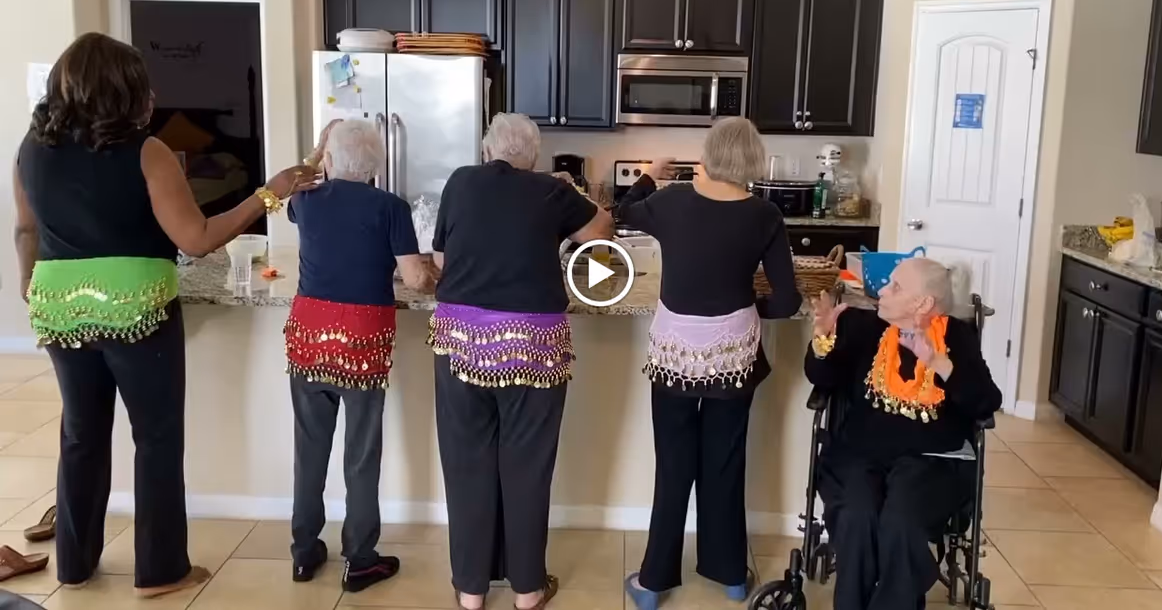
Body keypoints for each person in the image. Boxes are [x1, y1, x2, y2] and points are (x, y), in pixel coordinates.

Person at [12, 33, 319, 598]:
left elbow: (27, 230)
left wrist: (30, 284)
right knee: (154, 437)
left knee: (81, 434)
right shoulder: (146, 151)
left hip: (60, 308)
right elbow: (196, 238)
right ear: (122, 90)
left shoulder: (31, 148)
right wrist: (269, 194)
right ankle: (159, 571)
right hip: (136, 309)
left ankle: (74, 566)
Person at [427, 113, 613, 610]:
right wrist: (566, 212)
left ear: (489, 150)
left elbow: (441, 263)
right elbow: (602, 233)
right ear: (533, 154)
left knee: (466, 464)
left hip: (462, 341)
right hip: (534, 344)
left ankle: (470, 590)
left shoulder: (461, 182)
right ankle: (528, 589)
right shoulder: (551, 191)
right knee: (527, 467)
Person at [619, 118, 802, 610]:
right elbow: (786, 301)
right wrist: (746, 311)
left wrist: (649, 174)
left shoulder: (672, 200)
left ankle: (654, 582)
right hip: (732, 354)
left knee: (673, 463)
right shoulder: (764, 215)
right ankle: (730, 576)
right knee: (725, 460)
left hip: (676, 352)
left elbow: (623, 210)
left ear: (709, 153)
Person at [285, 119, 435, 592]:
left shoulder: (304, 201)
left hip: (309, 335)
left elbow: (297, 181)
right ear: (376, 166)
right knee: (361, 453)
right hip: (363, 341)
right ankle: (360, 558)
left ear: (328, 161)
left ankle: (305, 553)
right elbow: (414, 279)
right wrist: (437, 274)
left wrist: (316, 153)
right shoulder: (390, 207)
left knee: (310, 448)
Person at [805, 257, 1002, 610]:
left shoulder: (956, 337)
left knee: (901, 522)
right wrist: (823, 338)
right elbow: (823, 379)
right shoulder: (863, 326)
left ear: (924, 304)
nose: (881, 290)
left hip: (930, 460)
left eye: (895, 286)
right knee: (856, 514)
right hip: (859, 454)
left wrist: (940, 364)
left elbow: (986, 402)